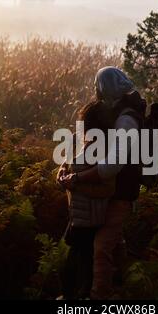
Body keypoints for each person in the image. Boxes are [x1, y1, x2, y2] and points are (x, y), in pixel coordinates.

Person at [58, 66, 145, 300]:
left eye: (98, 88)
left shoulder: (126, 119)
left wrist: (77, 178)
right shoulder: (111, 112)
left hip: (120, 194)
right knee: (113, 243)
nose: (96, 93)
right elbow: (87, 147)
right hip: (107, 193)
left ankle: (99, 297)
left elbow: (111, 166)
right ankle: (123, 285)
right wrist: (67, 165)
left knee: (101, 248)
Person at [58, 100, 115, 300]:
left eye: (84, 122)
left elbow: (107, 189)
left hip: (90, 218)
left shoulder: (103, 149)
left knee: (80, 263)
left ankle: (74, 298)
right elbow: (71, 163)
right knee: (76, 261)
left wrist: (75, 184)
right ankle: (72, 296)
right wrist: (63, 171)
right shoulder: (87, 144)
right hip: (78, 215)